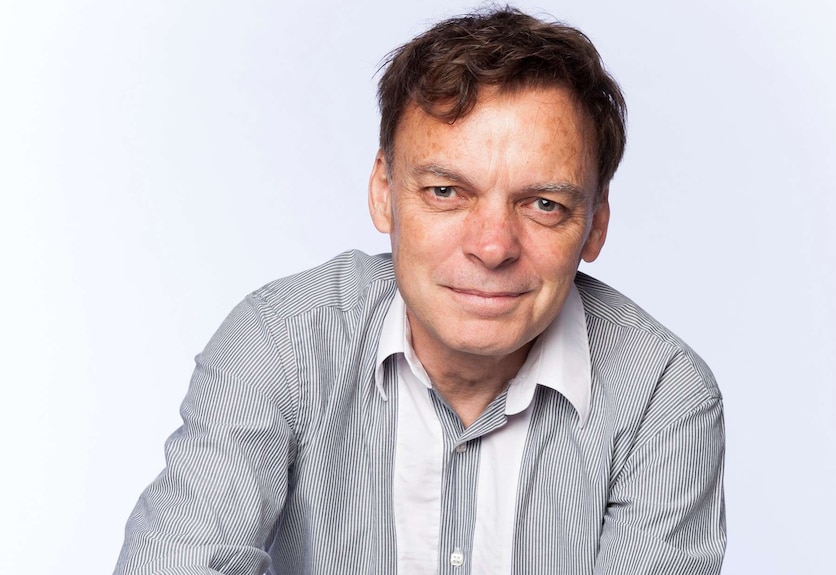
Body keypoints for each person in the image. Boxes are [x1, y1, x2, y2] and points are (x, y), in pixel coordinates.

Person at [114, 7, 725, 575]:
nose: (492, 247)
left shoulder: (661, 395)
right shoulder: (282, 339)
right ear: (384, 192)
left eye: (543, 204)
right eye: (445, 192)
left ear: (594, 224)